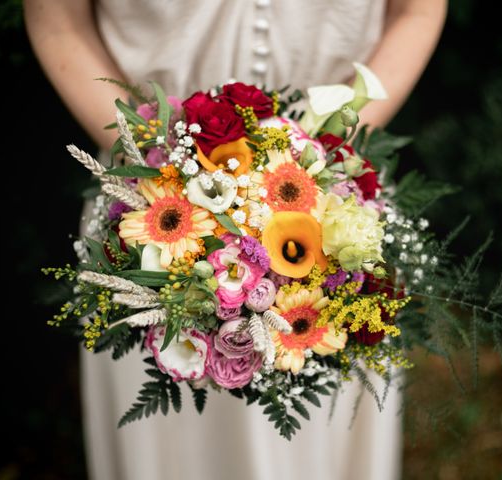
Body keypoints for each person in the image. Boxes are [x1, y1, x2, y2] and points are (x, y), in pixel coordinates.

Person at [24, 1, 447, 479]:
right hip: (151, 209)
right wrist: (163, 163)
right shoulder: (150, 204)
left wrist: (325, 145)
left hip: (329, 198)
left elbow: (418, 9)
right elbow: (57, 20)